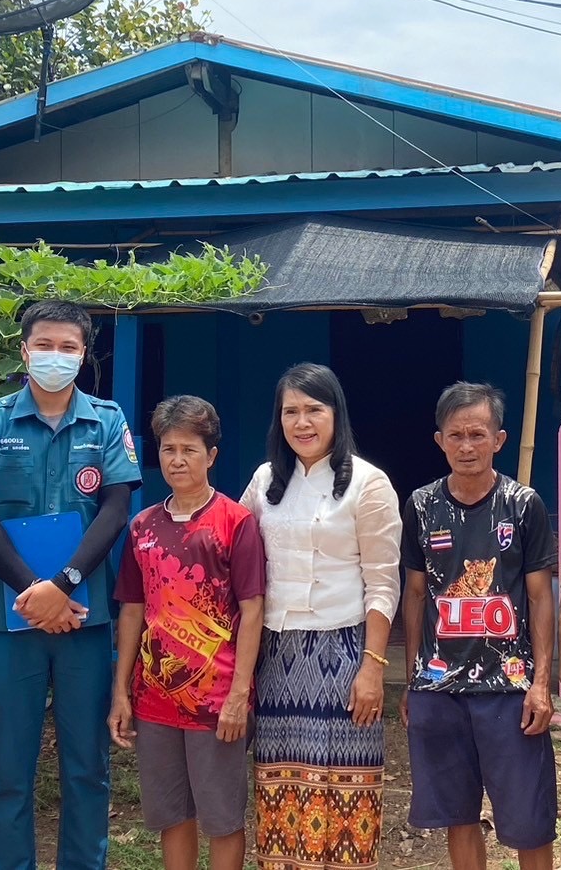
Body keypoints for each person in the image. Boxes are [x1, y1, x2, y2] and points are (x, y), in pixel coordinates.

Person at [0, 299, 141, 870]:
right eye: (44, 345)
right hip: (11, 618)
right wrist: (35, 590)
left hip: (84, 620)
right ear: (24, 350)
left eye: (68, 347)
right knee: (10, 768)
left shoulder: (106, 420)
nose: (55, 356)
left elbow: (116, 507)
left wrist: (66, 583)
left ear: (84, 356)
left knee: (87, 765)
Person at [239, 362, 401, 870]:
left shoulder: (369, 485)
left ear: (336, 414)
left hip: (344, 653)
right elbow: (239, 558)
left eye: (314, 409)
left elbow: (382, 583)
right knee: (281, 784)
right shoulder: (265, 482)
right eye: (291, 411)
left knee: (344, 787)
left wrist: (373, 667)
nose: (302, 422)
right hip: (277, 655)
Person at [399, 382, 557, 870]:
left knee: (529, 821)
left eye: (477, 434)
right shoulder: (422, 506)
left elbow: (539, 595)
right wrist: (413, 680)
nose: (467, 446)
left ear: (499, 439)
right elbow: (416, 592)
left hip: (509, 690)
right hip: (439, 689)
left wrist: (541, 683)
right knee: (457, 816)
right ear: (439, 440)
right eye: (456, 435)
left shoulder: (523, 504)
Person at [108, 395, 266, 870]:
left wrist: (240, 693)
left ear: (212, 455)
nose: (177, 460)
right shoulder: (143, 527)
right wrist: (121, 691)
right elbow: (133, 611)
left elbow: (252, 609)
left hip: (217, 701)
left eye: (189, 450)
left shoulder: (235, 524)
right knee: (171, 813)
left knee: (221, 817)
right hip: (155, 698)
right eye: (168, 449)